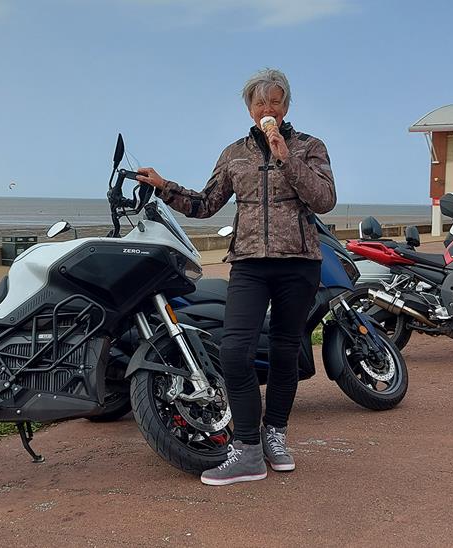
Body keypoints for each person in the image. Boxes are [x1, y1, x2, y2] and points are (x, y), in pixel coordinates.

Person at [137, 68, 336, 486]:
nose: (268, 109)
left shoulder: (309, 147)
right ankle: (247, 449)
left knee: (285, 351)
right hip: (248, 262)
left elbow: (325, 200)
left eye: (276, 102)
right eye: (260, 103)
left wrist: (286, 158)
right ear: (249, 109)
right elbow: (206, 203)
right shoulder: (234, 154)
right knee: (233, 352)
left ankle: (275, 436)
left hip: (299, 262)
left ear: (286, 107)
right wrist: (163, 186)